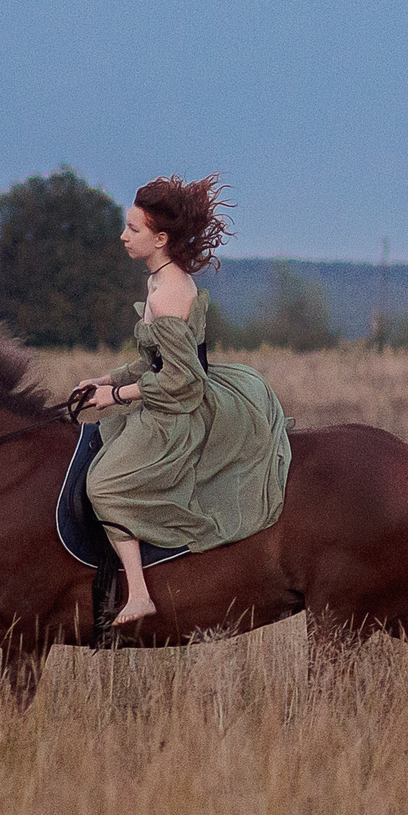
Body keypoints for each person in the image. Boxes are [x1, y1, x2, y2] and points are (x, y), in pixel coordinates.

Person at [73, 175, 293, 626]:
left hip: (179, 414)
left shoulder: (170, 291)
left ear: (160, 238)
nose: (123, 236)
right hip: (170, 398)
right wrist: (105, 379)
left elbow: (181, 381)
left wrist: (114, 396)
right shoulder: (159, 283)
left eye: (133, 229)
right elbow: (154, 362)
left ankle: (138, 594)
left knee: (103, 486)